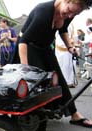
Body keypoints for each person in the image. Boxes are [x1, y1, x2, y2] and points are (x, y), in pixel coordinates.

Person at [13, 0, 92, 128]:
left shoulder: (67, 13)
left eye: (75, 14)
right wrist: (25, 69)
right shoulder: (43, 12)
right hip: (29, 48)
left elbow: (63, 29)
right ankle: (33, 115)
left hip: (45, 48)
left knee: (59, 78)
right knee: (38, 81)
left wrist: (70, 47)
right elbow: (23, 41)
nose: (70, 16)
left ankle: (75, 114)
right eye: (70, 11)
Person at [55, 23, 77, 88]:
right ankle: (65, 82)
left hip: (66, 48)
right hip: (62, 47)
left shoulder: (70, 25)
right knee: (63, 65)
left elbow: (71, 37)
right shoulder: (63, 23)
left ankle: (68, 81)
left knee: (68, 66)